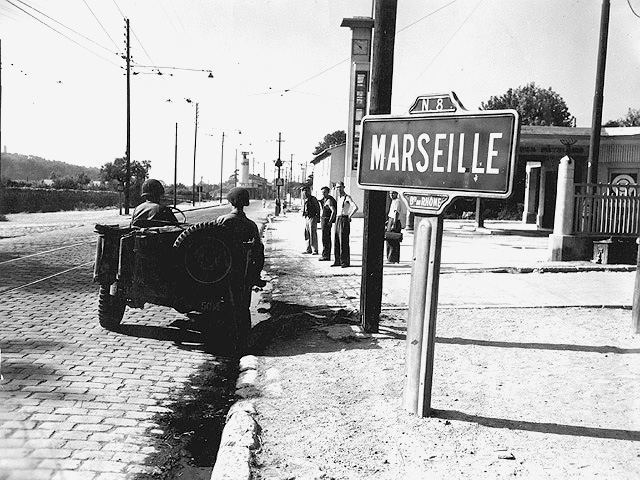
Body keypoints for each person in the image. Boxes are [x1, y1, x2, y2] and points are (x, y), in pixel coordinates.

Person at [214, 187, 266, 353]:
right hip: (242, 272)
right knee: (243, 308)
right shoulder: (250, 225)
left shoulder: (222, 220)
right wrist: (256, 275)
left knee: (224, 307)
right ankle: (243, 343)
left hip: (222, 272)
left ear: (230, 202)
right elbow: (259, 251)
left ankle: (223, 344)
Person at [332, 181, 358, 268]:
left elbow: (355, 207)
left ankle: (345, 261)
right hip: (338, 219)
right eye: (337, 187)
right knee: (336, 240)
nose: (338, 189)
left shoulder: (347, 197)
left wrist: (349, 216)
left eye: (340, 187)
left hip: (344, 219)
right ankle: (337, 260)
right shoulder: (338, 198)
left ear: (343, 187)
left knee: (343, 241)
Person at [385, 190, 405, 264]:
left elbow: (396, 213)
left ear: (396, 194)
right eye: (390, 194)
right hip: (391, 220)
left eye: (393, 193)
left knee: (393, 240)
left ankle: (392, 259)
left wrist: (394, 223)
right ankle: (390, 258)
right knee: (389, 239)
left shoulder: (397, 202)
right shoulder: (393, 201)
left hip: (394, 221)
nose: (391, 195)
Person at [318, 186, 336, 261]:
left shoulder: (329, 200)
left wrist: (330, 221)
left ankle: (326, 255)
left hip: (326, 220)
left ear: (328, 192)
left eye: (324, 192)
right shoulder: (324, 200)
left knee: (326, 238)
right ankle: (325, 254)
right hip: (323, 219)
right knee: (324, 238)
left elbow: (333, 211)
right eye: (322, 192)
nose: (323, 194)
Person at [301, 186, 320, 255]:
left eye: (306, 191)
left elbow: (318, 208)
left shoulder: (313, 199)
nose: (305, 193)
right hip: (307, 217)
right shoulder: (305, 199)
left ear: (309, 191)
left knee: (313, 233)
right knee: (306, 233)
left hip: (312, 217)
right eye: (304, 191)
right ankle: (308, 249)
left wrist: (318, 218)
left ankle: (315, 249)